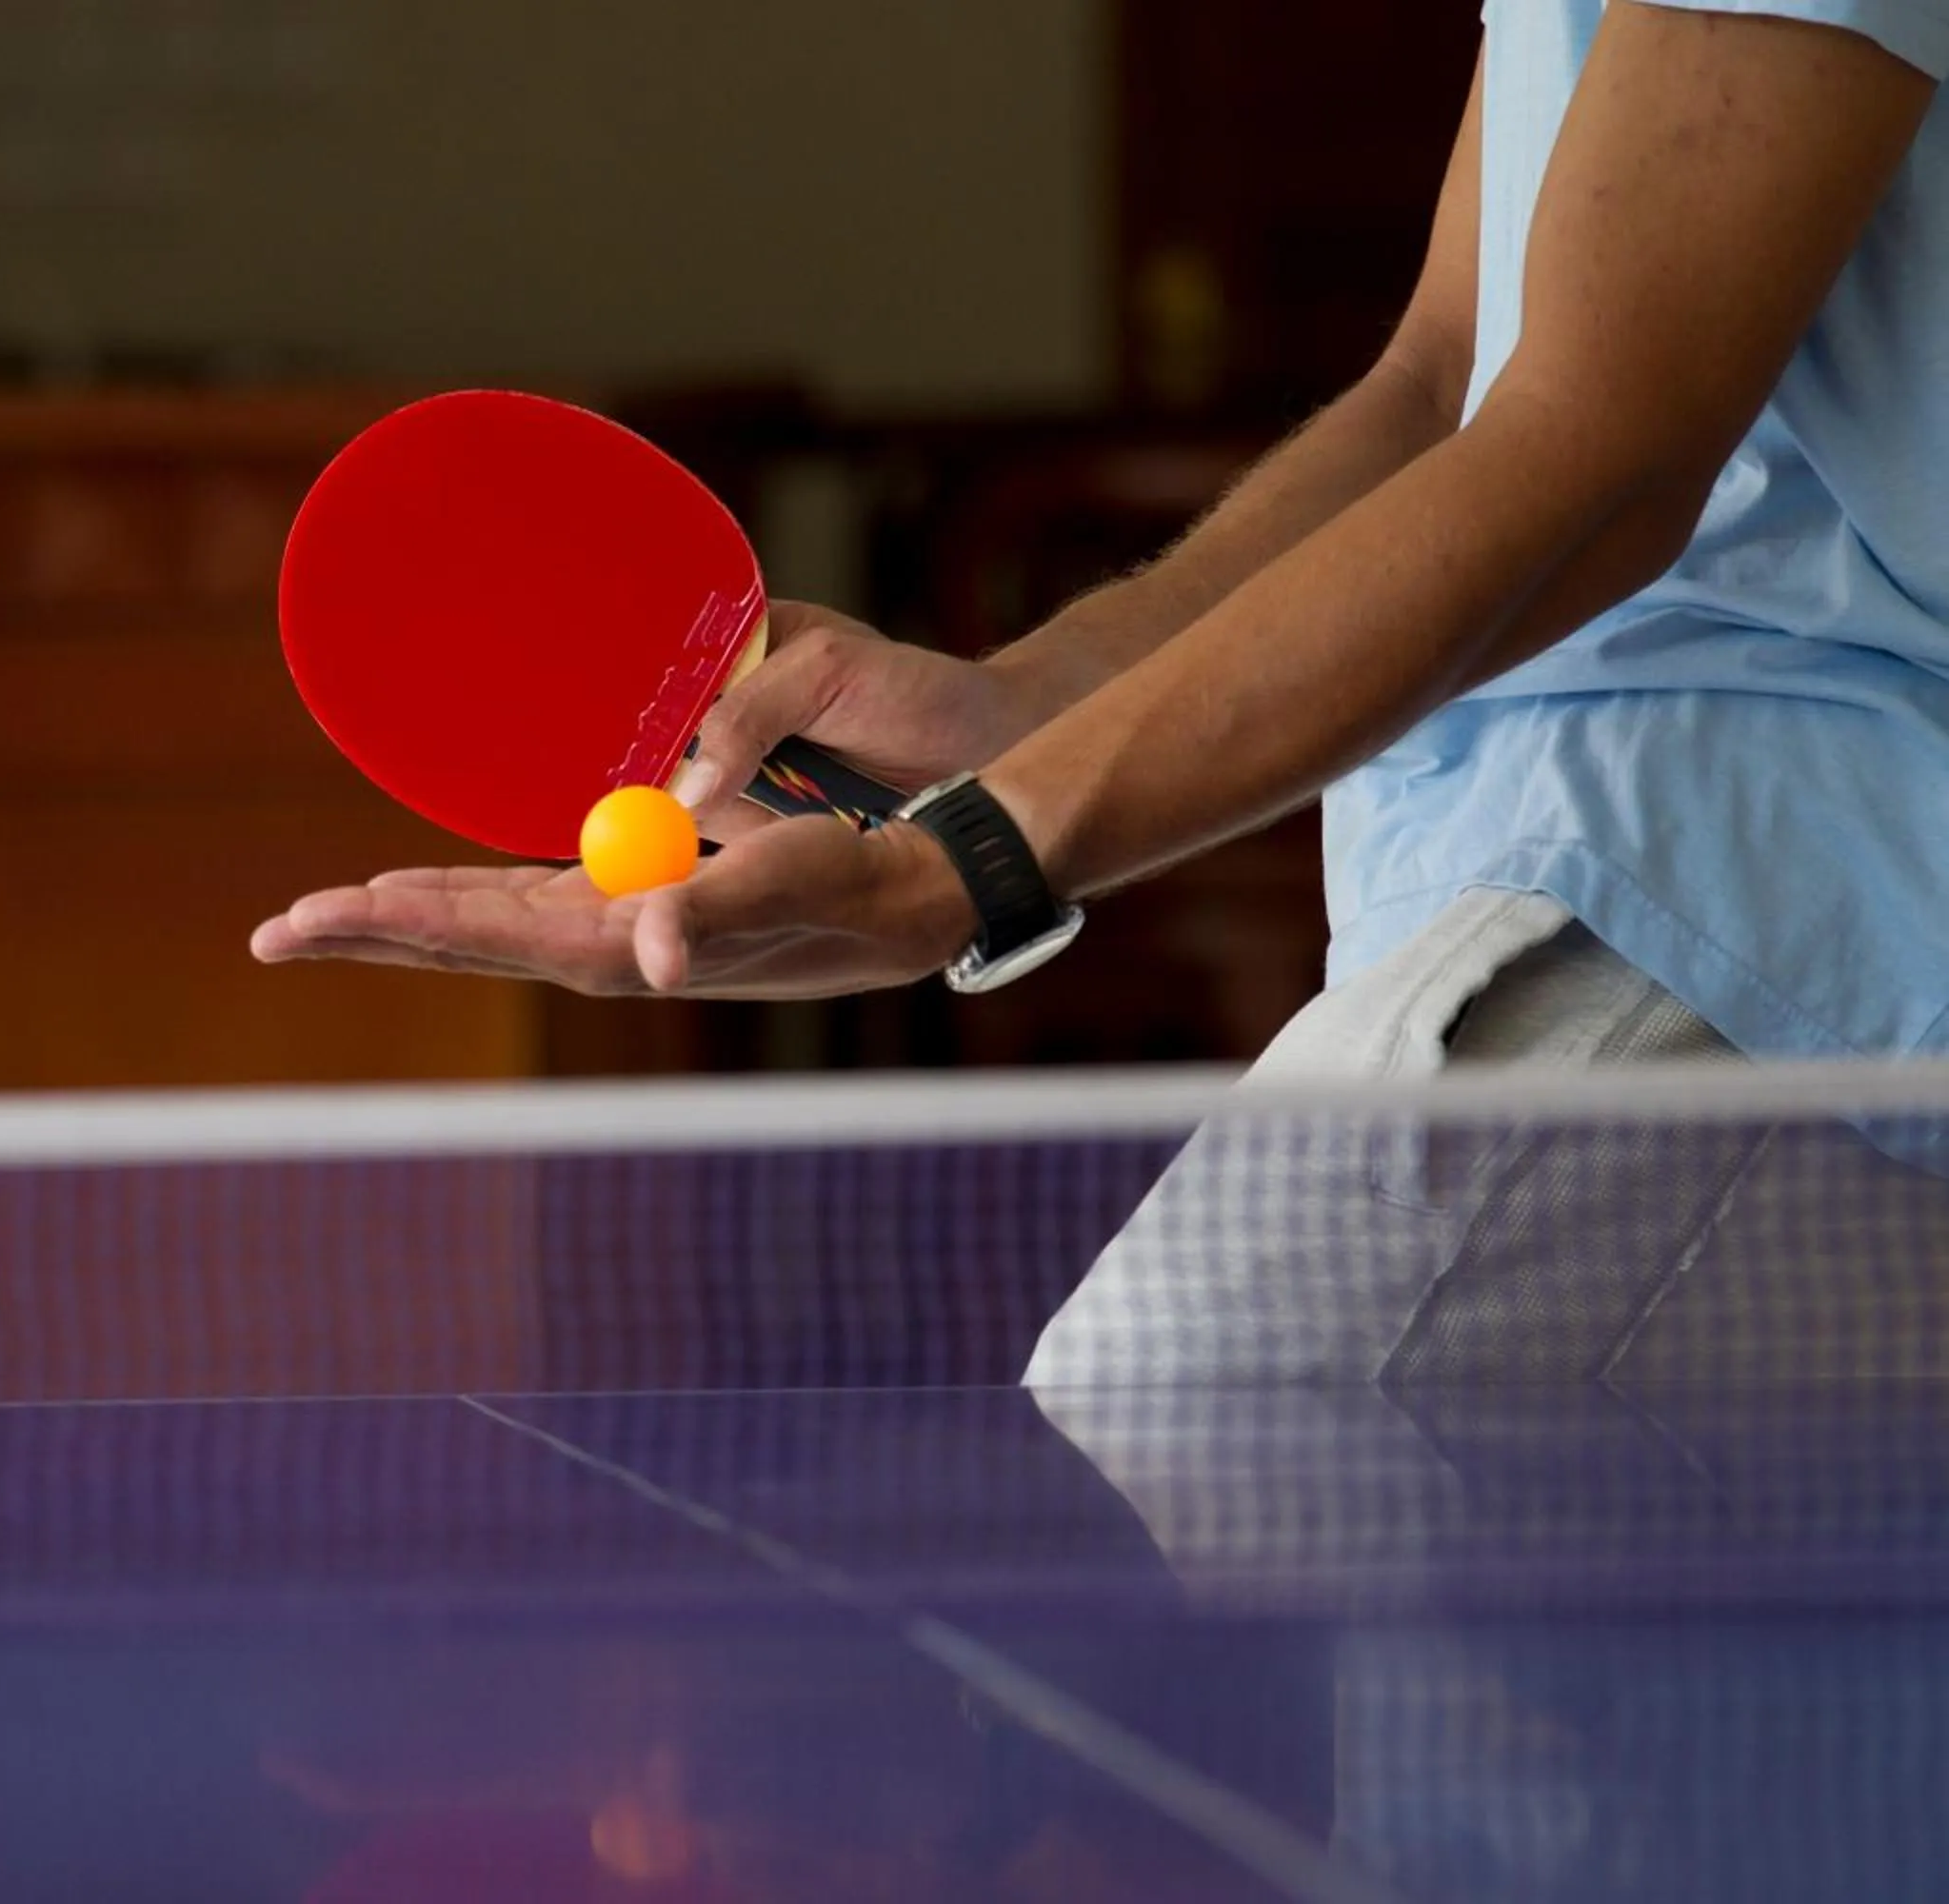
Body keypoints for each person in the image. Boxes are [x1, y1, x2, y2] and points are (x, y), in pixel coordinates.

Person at [256, 3, 1949, 1379]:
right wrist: (1027, 710)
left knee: (1206, 1415)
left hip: (1752, 894)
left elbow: (1596, 448)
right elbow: (1446, 379)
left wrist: (966, 864)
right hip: (1541, 867)